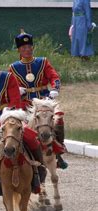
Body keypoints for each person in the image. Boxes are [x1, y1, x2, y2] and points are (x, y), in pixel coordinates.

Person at [0, 40, 45, 202]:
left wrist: (9, 119)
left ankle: (40, 174)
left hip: (12, 120)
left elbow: (16, 101)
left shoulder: (8, 78)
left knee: (32, 138)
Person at [9, 30, 68, 169]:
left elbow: (54, 77)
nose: (27, 50)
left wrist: (54, 89)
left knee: (59, 118)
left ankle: (58, 151)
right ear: (19, 50)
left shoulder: (43, 62)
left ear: (32, 48)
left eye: (29, 47)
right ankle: (20, 154)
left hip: (44, 100)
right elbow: (10, 86)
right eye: (24, 48)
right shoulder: (13, 67)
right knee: (18, 125)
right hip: (25, 103)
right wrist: (17, 90)